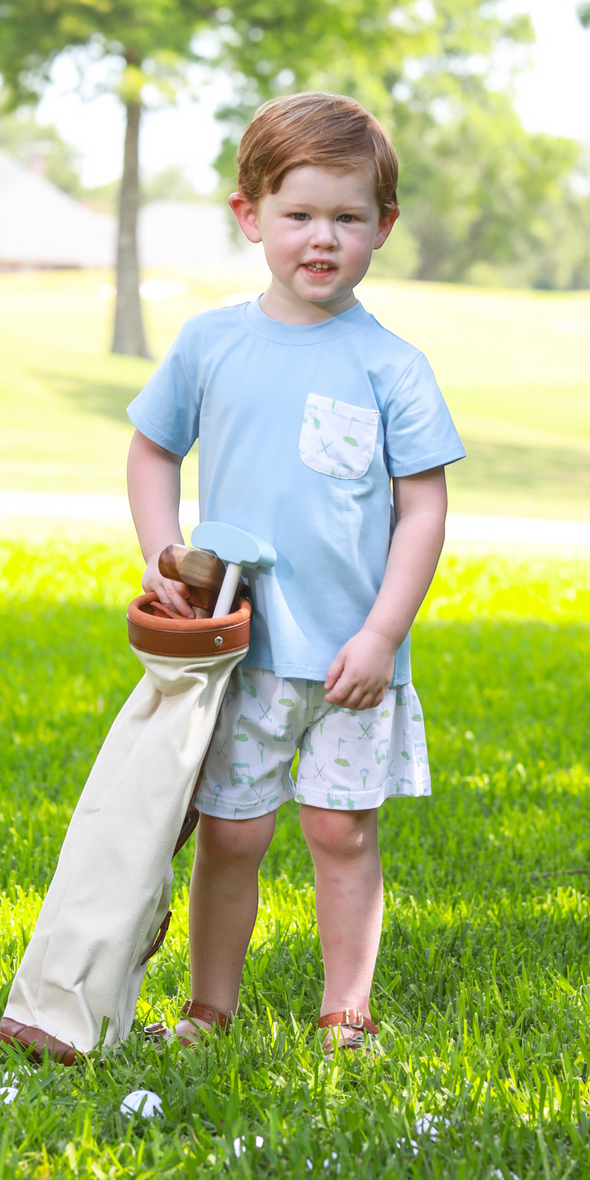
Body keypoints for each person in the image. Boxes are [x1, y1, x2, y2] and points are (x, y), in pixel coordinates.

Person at [125, 91, 465, 1055]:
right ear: (250, 217)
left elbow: (422, 510)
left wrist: (383, 634)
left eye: (348, 217)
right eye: (299, 215)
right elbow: (153, 450)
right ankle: (207, 1009)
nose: (323, 239)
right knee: (231, 835)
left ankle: (344, 1012)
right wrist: (163, 552)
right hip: (244, 654)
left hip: (353, 661)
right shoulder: (211, 343)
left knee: (340, 834)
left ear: (383, 227)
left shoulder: (391, 365)